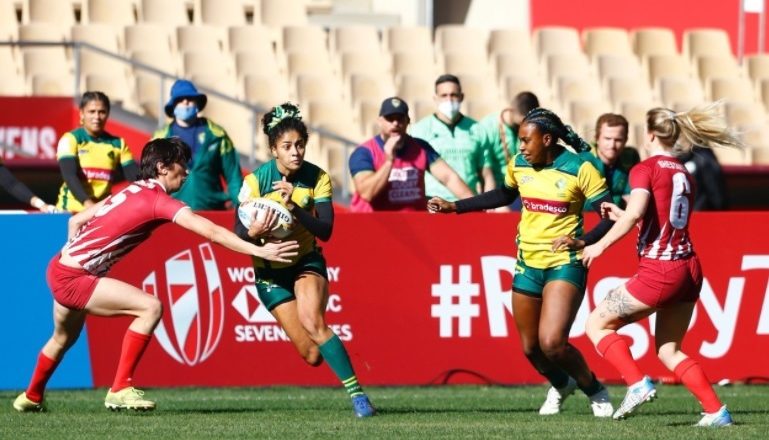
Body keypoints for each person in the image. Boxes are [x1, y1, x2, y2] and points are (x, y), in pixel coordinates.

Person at [12, 138, 299, 413]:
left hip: (59, 267)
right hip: (74, 278)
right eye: (181, 165)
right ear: (162, 167)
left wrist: (74, 256)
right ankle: (120, 389)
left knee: (62, 338)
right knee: (151, 307)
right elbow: (211, 232)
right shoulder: (157, 200)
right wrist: (261, 252)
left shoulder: (129, 189)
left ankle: (31, 396)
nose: (186, 172)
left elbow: (76, 220)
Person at [427, 108, 615, 417]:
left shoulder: (581, 167)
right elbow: (503, 194)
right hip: (527, 262)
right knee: (531, 348)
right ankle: (561, 384)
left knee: (553, 342)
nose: (521, 147)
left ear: (548, 139)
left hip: (564, 262)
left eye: (527, 141)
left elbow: (609, 214)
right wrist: (455, 207)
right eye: (519, 141)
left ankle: (595, 390)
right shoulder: (519, 165)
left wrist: (583, 241)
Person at [580, 104, 739, 426]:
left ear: (649, 134)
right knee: (669, 351)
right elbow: (660, 220)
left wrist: (599, 244)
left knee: (596, 325)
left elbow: (637, 213)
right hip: (689, 268)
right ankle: (715, 411)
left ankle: (637, 383)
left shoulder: (645, 168)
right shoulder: (684, 172)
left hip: (661, 269)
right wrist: (623, 217)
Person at [235, 103, 376, 418]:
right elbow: (238, 233)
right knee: (311, 354)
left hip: (305, 262)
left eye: (299, 145)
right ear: (273, 150)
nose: (295, 151)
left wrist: (294, 207)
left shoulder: (317, 178)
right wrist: (254, 233)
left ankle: (359, 398)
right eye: (287, 146)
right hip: (270, 274)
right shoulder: (255, 182)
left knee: (314, 321)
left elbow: (325, 230)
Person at [349, 96, 473, 212]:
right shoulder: (364, 152)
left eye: (400, 118)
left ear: (408, 121)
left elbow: (449, 178)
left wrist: (475, 206)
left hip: (413, 225)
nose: (395, 123)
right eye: (390, 119)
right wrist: (389, 161)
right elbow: (367, 193)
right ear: (380, 121)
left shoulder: (420, 148)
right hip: (373, 226)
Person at [153, 79, 243, 211]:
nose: (186, 102)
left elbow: (234, 177)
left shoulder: (217, 135)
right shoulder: (159, 139)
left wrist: (242, 206)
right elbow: (151, 180)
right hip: (173, 215)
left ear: (197, 103)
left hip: (212, 213)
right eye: (180, 99)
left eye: (190, 98)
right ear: (173, 106)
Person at [409, 74, 495, 201]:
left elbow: (486, 175)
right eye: (444, 95)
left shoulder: (477, 129)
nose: (449, 99)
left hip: (468, 204)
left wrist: (489, 204)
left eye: (454, 95)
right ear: (435, 98)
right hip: (433, 204)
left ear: (461, 97)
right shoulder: (419, 130)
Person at [56, 91, 138, 213]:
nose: (97, 117)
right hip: (70, 211)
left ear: (108, 114)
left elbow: (136, 178)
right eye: (92, 112)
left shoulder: (118, 143)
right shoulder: (70, 139)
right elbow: (69, 176)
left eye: (102, 112)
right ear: (82, 113)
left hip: (100, 213)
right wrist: (88, 204)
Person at [477, 91, 540, 200]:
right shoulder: (487, 128)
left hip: (523, 188)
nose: (526, 125)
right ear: (512, 110)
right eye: (522, 121)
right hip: (497, 190)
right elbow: (485, 171)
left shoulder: (531, 128)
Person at [578, 113, 640, 209]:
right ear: (597, 138)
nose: (612, 145)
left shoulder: (630, 157)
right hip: (587, 219)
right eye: (607, 139)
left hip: (620, 218)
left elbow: (632, 197)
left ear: (626, 140)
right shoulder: (581, 161)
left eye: (618, 140)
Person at [677, 145, 729, 210]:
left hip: (699, 213)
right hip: (694, 212)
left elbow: (717, 197)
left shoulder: (704, 159)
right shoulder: (703, 157)